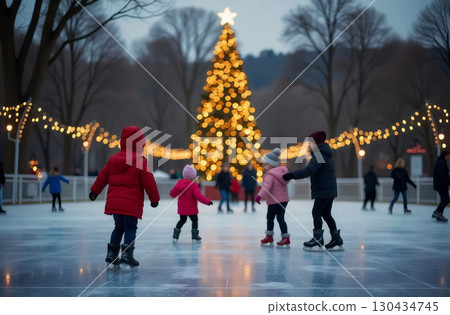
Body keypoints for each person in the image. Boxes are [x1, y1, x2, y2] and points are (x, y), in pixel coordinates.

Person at [89, 126, 160, 269]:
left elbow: (102, 177)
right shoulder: (140, 160)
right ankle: (127, 254)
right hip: (131, 203)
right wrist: (154, 199)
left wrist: (94, 191)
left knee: (118, 227)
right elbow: (149, 180)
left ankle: (111, 253)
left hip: (115, 204)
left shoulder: (113, 159)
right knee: (130, 228)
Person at [283, 131, 344, 251]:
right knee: (326, 214)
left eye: (309, 142)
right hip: (328, 189)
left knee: (316, 213)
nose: (307, 145)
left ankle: (318, 239)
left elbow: (309, 170)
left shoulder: (320, 154)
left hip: (324, 190)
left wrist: (290, 175)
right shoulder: (323, 153)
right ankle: (336, 238)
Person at [255, 148, 291, 248]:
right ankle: (286, 238)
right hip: (283, 200)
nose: (264, 167)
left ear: (272, 165)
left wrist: (259, 196)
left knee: (270, 218)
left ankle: (269, 236)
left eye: (265, 165)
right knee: (280, 218)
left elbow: (266, 187)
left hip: (274, 202)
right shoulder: (283, 173)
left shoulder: (269, 175)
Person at [170, 165, 212, 244]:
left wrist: (174, 193)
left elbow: (172, 193)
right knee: (195, 220)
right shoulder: (193, 185)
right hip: (191, 209)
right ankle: (195, 236)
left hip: (182, 208)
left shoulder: (179, 183)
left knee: (182, 220)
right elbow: (199, 196)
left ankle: (175, 235)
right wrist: (208, 202)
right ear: (193, 176)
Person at [432, 150, 450, 222]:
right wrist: (446, 182)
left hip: (441, 184)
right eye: (448, 156)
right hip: (441, 185)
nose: (448, 158)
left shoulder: (441, 162)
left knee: (445, 199)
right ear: (445, 156)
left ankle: (438, 212)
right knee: (446, 199)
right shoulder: (441, 162)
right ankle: (438, 212)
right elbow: (440, 174)